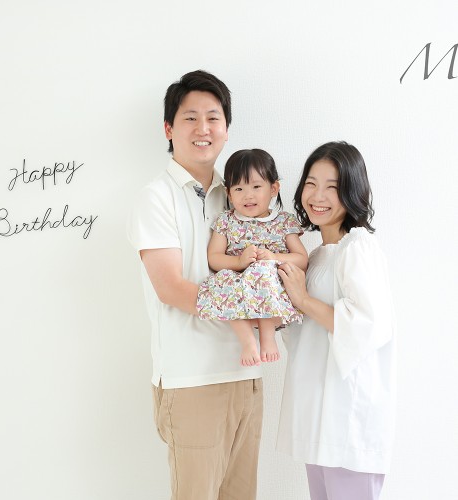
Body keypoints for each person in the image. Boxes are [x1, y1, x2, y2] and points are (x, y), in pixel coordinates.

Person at [127, 70, 263, 500]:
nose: (203, 128)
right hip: (191, 381)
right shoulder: (155, 197)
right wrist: (245, 306)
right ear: (169, 129)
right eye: (190, 118)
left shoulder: (239, 195)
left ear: (226, 129)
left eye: (213, 118)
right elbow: (170, 287)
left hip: (247, 374)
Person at [276, 141, 397, 500]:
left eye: (332, 186)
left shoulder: (358, 248)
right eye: (311, 183)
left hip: (349, 419)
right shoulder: (316, 256)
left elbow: (368, 325)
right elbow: (304, 333)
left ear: (352, 192)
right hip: (320, 415)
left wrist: (303, 300)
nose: (318, 196)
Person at [197, 148, 308, 366]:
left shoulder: (283, 221)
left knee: (262, 270)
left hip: (271, 284)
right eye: (239, 188)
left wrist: (273, 257)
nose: (248, 195)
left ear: (273, 188)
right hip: (238, 283)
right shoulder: (226, 221)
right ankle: (247, 341)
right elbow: (214, 258)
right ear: (229, 193)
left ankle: (267, 337)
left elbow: (301, 259)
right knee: (224, 280)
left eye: (256, 187)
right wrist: (238, 262)